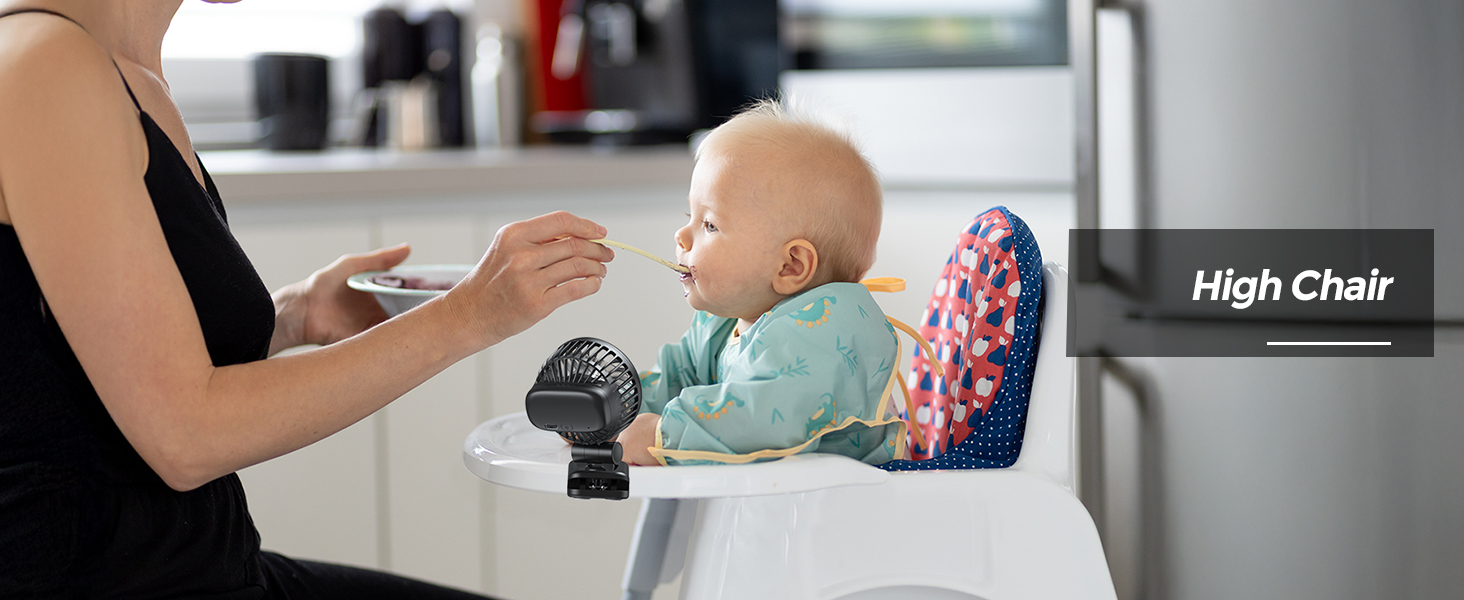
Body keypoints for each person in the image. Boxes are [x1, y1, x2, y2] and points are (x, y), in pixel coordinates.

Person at [0, 1, 613, 597]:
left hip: (207, 565)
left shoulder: (126, 70)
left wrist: (295, 315)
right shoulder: (44, 65)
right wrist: (468, 315)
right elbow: (185, 438)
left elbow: (93, 354)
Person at [615, 100, 911, 468]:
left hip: (851, 516)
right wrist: (614, 406)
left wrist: (665, 437)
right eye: (690, 216)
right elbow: (680, 377)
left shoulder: (826, 334)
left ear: (790, 265)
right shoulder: (728, 320)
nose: (681, 235)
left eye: (709, 225)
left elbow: (760, 419)